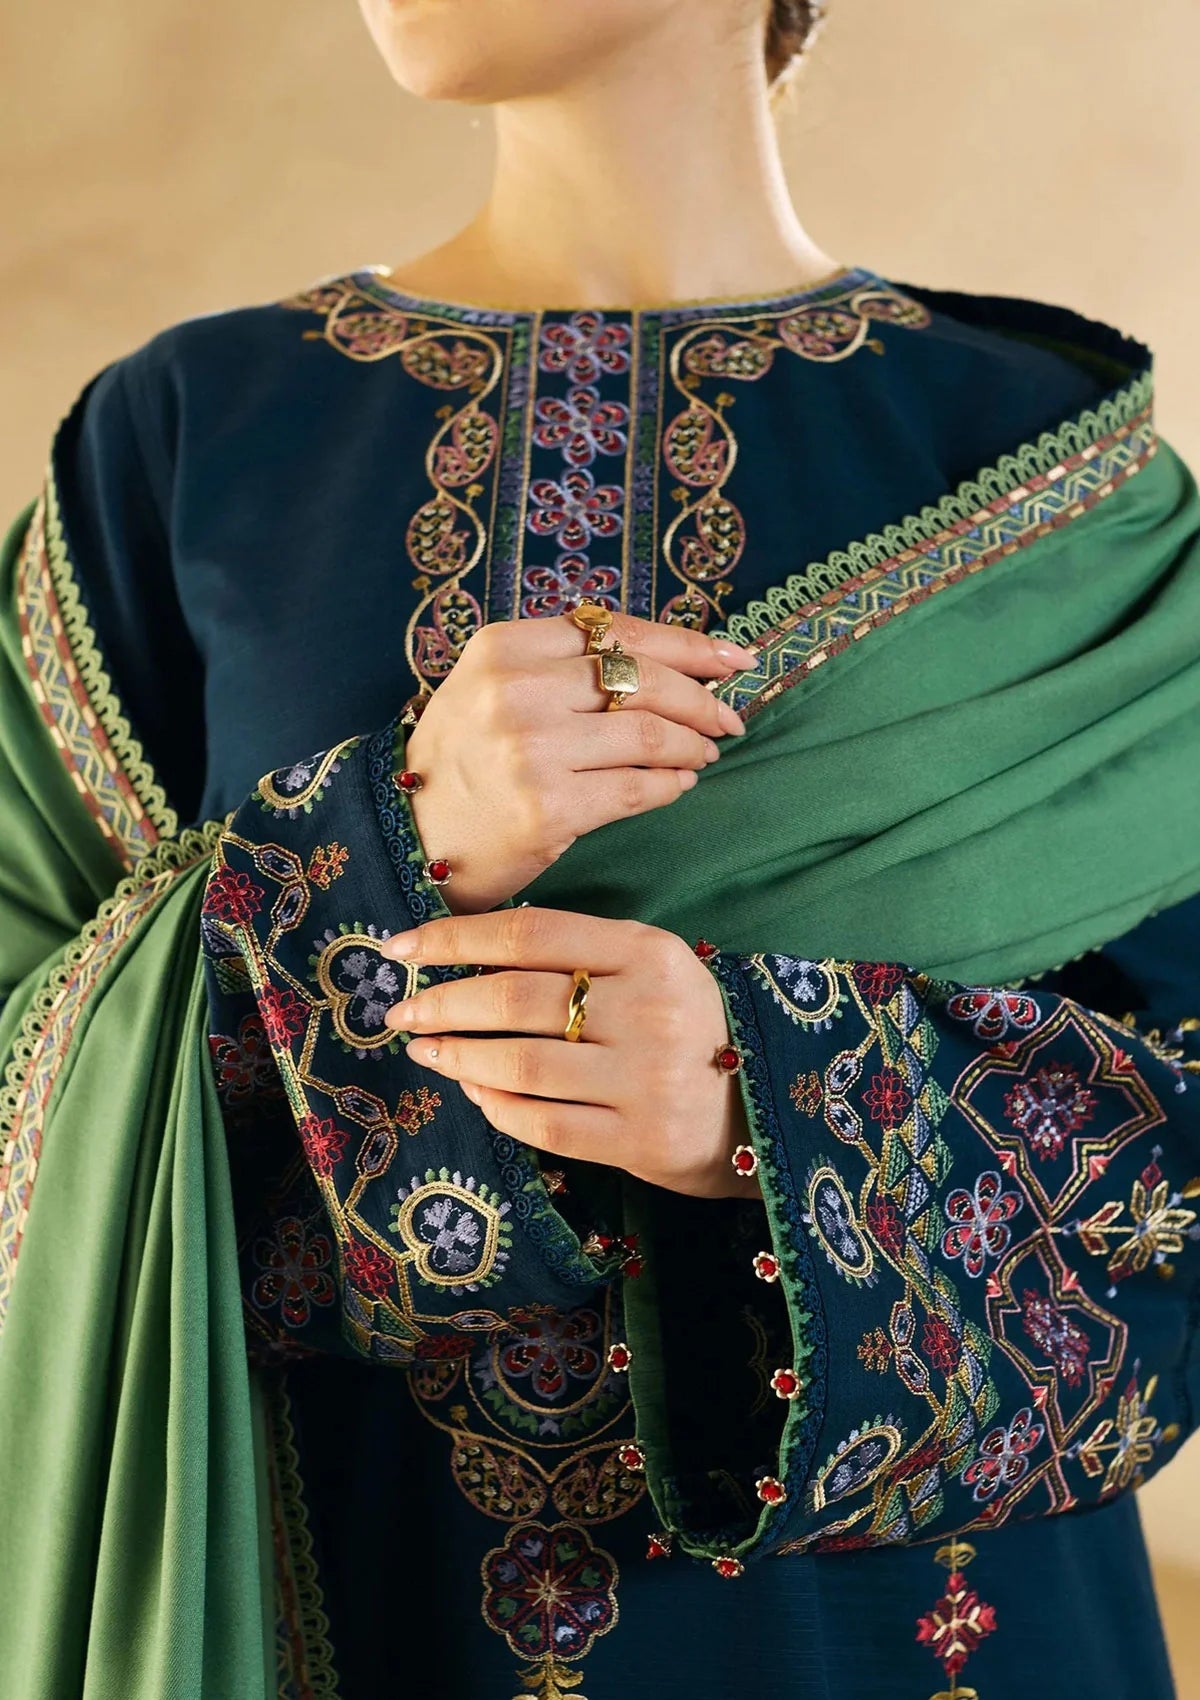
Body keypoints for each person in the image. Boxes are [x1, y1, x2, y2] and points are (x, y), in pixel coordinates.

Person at [1, 1, 1199, 1695]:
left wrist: (773, 1099)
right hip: (343, 1594)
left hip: (904, 1632)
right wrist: (386, 841)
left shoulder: (1065, 486)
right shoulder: (185, 436)